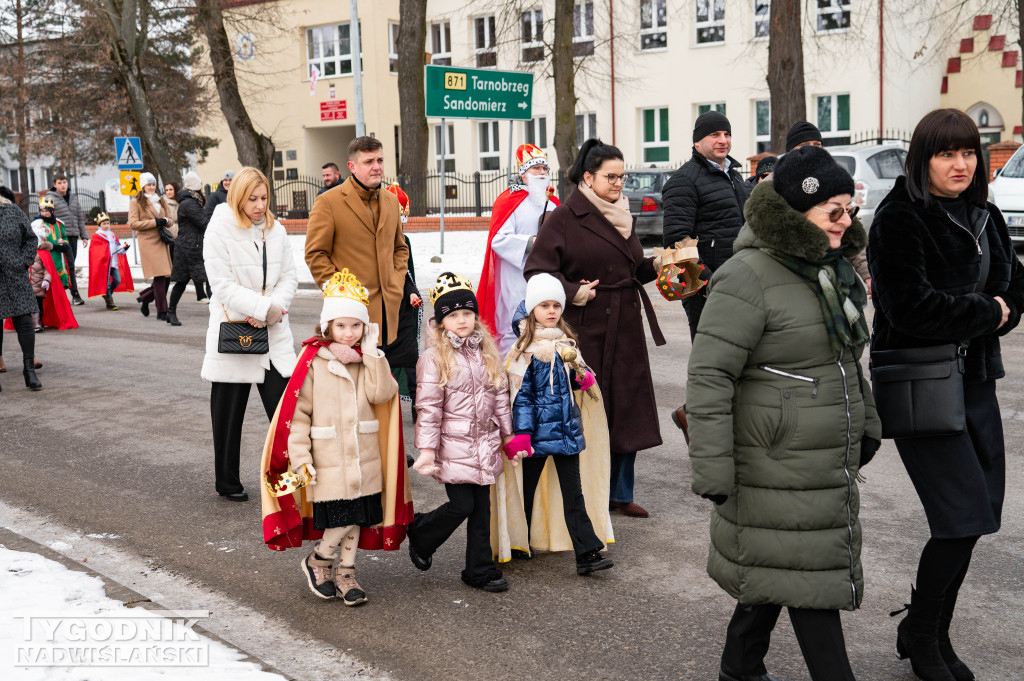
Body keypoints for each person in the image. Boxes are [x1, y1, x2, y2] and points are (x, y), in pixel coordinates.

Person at [687, 146, 880, 681]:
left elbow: (842, 358)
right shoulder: (746, 276)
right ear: (798, 214)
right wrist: (712, 467)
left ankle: (739, 667)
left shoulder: (829, 271)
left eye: (850, 210)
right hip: (772, 459)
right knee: (805, 575)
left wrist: (866, 423)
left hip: (818, 458)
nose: (845, 223)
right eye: (832, 212)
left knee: (778, 568)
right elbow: (709, 376)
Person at [867, 108, 1024, 681]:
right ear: (922, 159)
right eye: (945, 153)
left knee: (977, 518)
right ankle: (924, 638)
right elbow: (907, 307)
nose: (960, 164)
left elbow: (1015, 289)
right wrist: (987, 311)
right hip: (922, 389)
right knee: (959, 519)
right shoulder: (899, 218)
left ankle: (926, 630)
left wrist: (993, 312)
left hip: (976, 384)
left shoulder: (986, 214)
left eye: (967, 153)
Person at [525, 138, 670, 518]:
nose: (619, 184)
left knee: (626, 408)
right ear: (588, 177)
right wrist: (572, 292)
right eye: (611, 176)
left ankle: (620, 493)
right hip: (586, 328)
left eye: (622, 177)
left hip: (625, 324)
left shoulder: (622, 212)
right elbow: (537, 269)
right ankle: (586, 495)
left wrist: (659, 265)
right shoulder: (565, 217)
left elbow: (631, 267)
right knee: (589, 410)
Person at [279, 269, 400, 605]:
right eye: (341, 325)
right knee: (343, 519)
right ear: (327, 326)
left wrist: (375, 353)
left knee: (359, 517)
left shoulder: (368, 360)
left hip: (364, 456)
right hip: (329, 459)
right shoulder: (313, 362)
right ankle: (319, 559)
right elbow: (298, 415)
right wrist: (301, 459)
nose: (349, 333)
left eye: (356, 325)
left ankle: (347, 573)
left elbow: (382, 395)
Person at [502, 273, 614, 575]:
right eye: (544, 306)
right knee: (525, 492)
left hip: (566, 435)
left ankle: (587, 553)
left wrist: (581, 375)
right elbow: (521, 398)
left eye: (556, 305)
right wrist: (523, 434)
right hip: (537, 439)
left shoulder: (566, 345)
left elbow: (572, 388)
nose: (551, 311)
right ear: (531, 309)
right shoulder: (525, 352)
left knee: (574, 495)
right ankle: (517, 541)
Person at [408, 272, 514, 593]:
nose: (462, 320)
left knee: (482, 510)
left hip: (484, 446)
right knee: (462, 506)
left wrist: (509, 436)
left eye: (468, 313)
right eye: (453, 315)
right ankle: (422, 534)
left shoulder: (486, 352)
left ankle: (478, 570)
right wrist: (427, 451)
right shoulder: (433, 358)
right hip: (452, 448)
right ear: (442, 322)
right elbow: (428, 409)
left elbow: (499, 397)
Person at [202, 167, 298, 502]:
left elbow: (289, 277)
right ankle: (226, 482)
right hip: (235, 331)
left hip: (272, 331)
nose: (259, 205)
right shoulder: (219, 228)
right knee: (228, 417)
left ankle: (289, 486)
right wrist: (258, 308)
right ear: (237, 197)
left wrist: (271, 308)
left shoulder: (277, 229)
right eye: (252, 199)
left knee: (287, 416)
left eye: (264, 198)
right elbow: (221, 284)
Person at [305, 136, 409, 355]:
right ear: (352, 166)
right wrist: (342, 293)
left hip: (389, 317)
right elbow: (316, 254)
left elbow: (400, 248)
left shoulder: (391, 201)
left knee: (385, 384)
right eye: (368, 162)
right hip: (350, 323)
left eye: (380, 160)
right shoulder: (329, 202)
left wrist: (396, 281)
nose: (376, 167)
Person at [662, 111, 751, 341]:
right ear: (697, 142)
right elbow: (677, 242)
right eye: (715, 134)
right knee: (714, 361)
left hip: (743, 285)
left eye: (727, 134)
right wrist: (709, 287)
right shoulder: (684, 181)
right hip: (708, 293)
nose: (723, 140)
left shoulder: (735, 177)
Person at [477, 144, 560, 354]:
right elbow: (498, 239)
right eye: (536, 168)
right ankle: (511, 372)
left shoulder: (554, 204)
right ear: (523, 174)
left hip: (547, 273)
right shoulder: (507, 201)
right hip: (516, 275)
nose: (542, 173)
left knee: (546, 323)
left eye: (544, 169)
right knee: (515, 324)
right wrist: (531, 242)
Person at [785, 121, 871, 290]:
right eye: (803, 145)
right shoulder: (775, 184)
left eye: (817, 145)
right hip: (789, 271)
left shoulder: (832, 183)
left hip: (828, 269)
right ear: (790, 151)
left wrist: (868, 275)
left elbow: (851, 232)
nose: (812, 149)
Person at [382, 183, 423, 416]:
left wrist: (411, 292)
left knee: (410, 358)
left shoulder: (404, 240)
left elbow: (407, 272)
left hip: (404, 306)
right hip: (382, 307)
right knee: (383, 359)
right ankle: (387, 407)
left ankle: (418, 405)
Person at [0, 185, 43, 391]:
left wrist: (23, 262)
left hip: (15, 275)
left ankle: (29, 371)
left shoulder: (13, 211)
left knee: (24, 322)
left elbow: (30, 239)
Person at [130, 172, 177, 321]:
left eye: (153, 185)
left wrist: (165, 221)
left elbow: (170, 219)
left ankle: (145, 298)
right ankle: (162, 311)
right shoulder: (136, 202)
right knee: (159, 276)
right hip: (148, 241)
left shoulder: (161, 200)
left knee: (165, 276)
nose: (151, 187)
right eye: (148, 185)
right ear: (143, 186)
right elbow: (133, 224)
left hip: (162, 240)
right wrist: (154, 223)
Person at [168, 171, 212, 323]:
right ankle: (218, 314)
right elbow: (204, 222)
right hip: (191, 249)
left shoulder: (191, 201)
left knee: (184, 282)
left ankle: (171, 312)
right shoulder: (189, 203)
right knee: (208, 279)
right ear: (196, 187)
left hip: (190, 246)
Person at [48, 173, 87, 305]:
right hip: (59, 239)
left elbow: (80, 218)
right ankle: (74, 294)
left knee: (70, 264)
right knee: (65, 265)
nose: (63, 185)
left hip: (73, 236)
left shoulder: (74, 198)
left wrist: (84, 236)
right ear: (55, 185)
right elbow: (46, 218)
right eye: (59, 183)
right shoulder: (50, 198)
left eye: (64, 182)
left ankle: (65, 292)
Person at [87, 212, 133, 310]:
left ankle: (107, 294)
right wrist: (103, 255)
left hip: (113, 263)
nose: (107, 225)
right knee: (106, 283)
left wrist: (123, 248)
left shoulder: (112, 235)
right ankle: (110, 303)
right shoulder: (96, 236)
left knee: (117, 280)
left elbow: (117, 247)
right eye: (104, 224)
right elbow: (95, 251)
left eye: (108, 223)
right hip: (103, 264)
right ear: (99, 225)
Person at [32, 196, 72, 290]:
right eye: (42, 211)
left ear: (52, 211)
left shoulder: (59, 223)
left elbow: (65, 237)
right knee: (47, 275)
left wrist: (64, 243)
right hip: (45, 254)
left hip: (58, 254)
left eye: (46, 211)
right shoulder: (38, 223)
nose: (44, 213)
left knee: (60, 276)